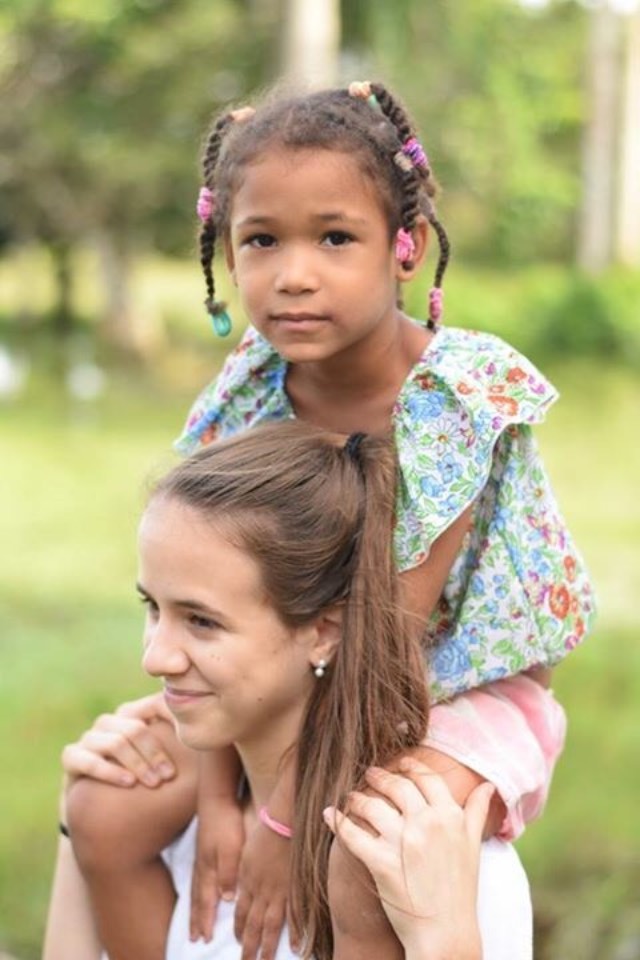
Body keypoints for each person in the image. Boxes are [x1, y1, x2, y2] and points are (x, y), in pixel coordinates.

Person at [48, 79, 594, 959]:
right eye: (261, 240)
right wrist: (218, 792)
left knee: (352, 858)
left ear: (405, 248)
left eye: (335, 238)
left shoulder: (454, 400)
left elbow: (380, 649)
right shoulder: (254, 386)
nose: (293, 275)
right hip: (284, 682)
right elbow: (213, 582)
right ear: (226, 251)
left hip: (444, 696)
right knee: (106, 815)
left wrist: (279, 820)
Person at [58, 422, 533, 960]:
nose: (154, 658)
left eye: (201, 622)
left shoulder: (429, 869)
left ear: (324, 633)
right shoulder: (161, 829)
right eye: (153, 608)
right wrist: (74, 809)